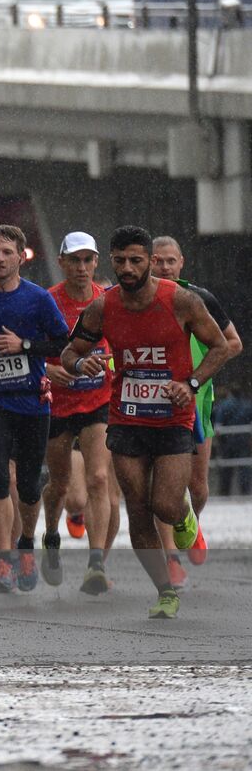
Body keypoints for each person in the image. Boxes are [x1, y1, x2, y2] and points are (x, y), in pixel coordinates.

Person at [61, 226, 231, 618]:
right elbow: (71, 351)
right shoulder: (104, 306)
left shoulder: (181, 301)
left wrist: (190, 383)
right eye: (120, 260)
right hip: (126, 418)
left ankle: (185, 515)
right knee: (138, 508)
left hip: (173, 418)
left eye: (136, 260)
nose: (127, 268)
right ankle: (165, 591)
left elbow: (222, 346)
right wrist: (79, 362)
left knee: (166, 505)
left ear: (150, 261)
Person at [0, 225, 81, 594]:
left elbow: (62, 343)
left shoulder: (38, 298)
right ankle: (4, 560)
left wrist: (23, 344)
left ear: (20, 257)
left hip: (32, 403)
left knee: (28, 485)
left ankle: (27, 543)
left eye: (5, 252)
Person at [149, 235, 242, 575]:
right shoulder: (136, 300)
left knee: (197, 484)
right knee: (159, 485)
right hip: (152, 403)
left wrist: (200, 374)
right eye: (157, 260)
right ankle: (171, 558)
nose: (164, 267)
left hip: (197, 399)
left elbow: (234, 344)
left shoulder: (199, 298)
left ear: (181, 262)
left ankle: (192, 521)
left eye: (170, 261)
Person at [40, 232, 116, 595]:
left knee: (99, 479)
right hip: (57, 404)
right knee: (62, 487)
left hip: (98, 402)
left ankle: (96, 564)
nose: (82, 268)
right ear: (62, 262)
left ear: (97, 262)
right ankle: (52, 535)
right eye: (75, 260)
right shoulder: (48, 302)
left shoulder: (108, 300)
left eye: (88, 260)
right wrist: (46, 369)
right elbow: (28, 351)